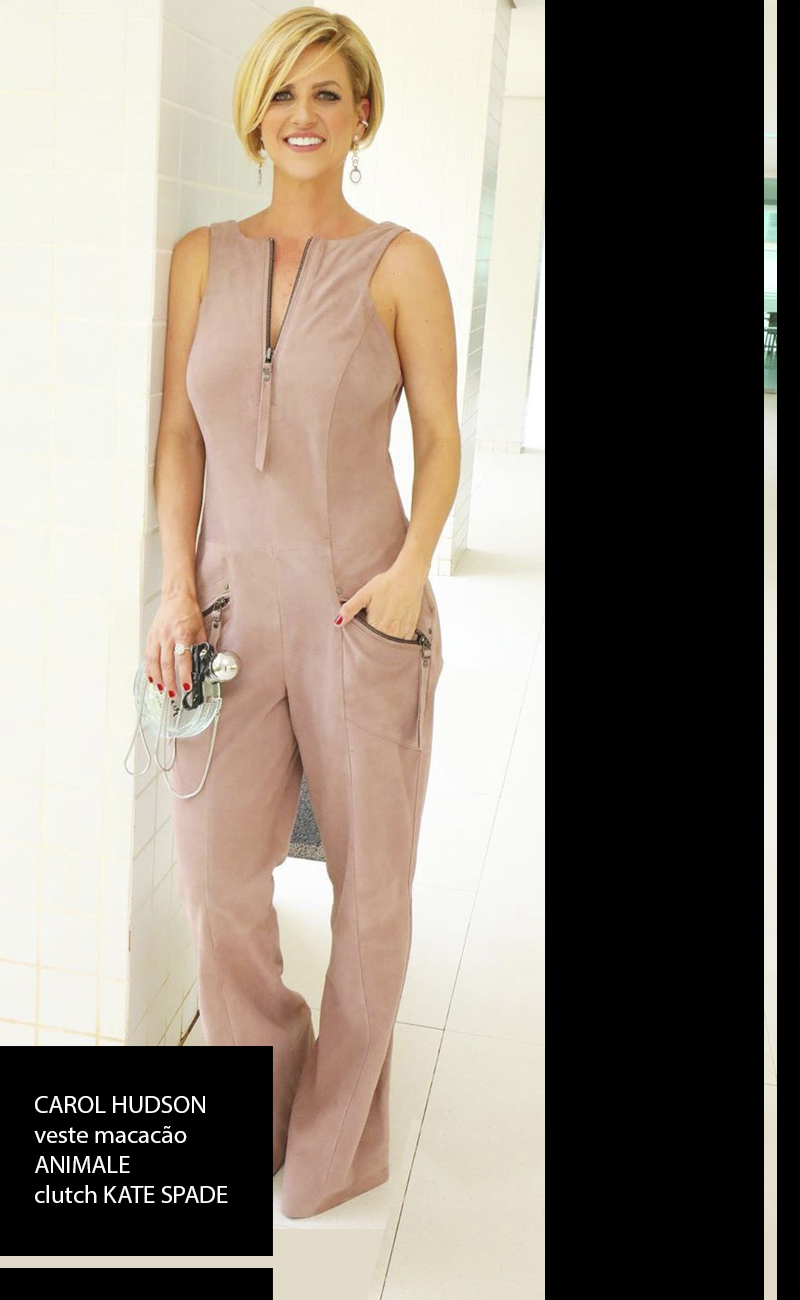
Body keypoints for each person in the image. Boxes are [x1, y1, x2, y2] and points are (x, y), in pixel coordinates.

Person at [149, 6, 460, 1219]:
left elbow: (439, 439)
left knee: (370, 892)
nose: (303, 116)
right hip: (226, 611)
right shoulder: (200, 257)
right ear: (254, 113)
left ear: (361, 115)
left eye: (328, 94)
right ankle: (260, 1091)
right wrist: (176, 588)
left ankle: (337, 1141)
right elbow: (179, 437)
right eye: (284, 93)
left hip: (358, 605)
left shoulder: (400, 262)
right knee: (217, 882)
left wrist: (409, 570)